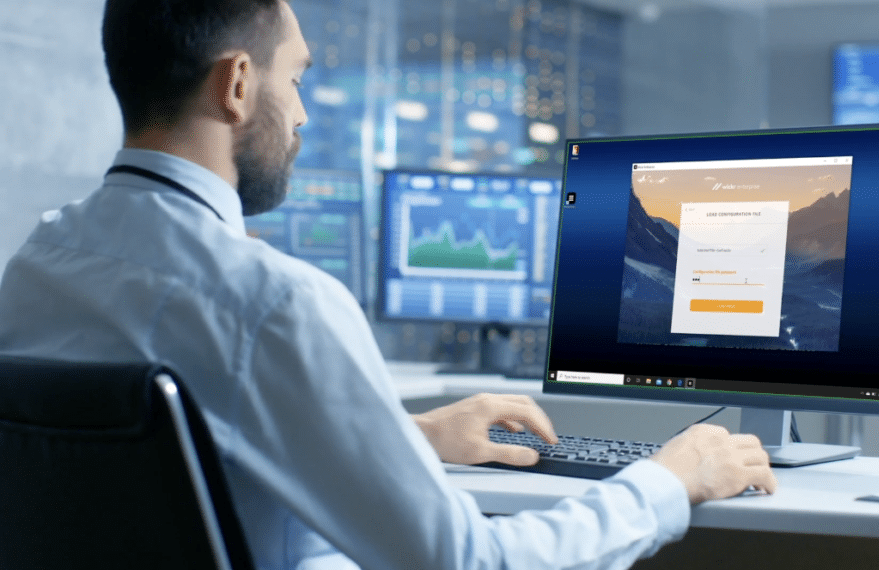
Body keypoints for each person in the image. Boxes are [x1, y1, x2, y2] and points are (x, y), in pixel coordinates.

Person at [0, 1, 778, 569]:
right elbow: (467, 563)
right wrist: (668, 483)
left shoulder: (36, 266)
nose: (301, 114)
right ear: (237, 84)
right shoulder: (275, 303)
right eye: (296, 79)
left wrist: (407, 441)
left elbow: (185, 467)